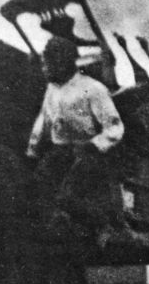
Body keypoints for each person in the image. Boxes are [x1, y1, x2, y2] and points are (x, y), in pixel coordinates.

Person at [26, 35, 126, 247]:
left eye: (49, 63)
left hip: (90, 152)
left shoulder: (93, 88)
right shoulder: (52, 89)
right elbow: (43, 120)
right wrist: (32, 151)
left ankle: (104, 225)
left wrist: (94, 145)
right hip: (61, 151)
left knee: (67, 196)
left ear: (66, 62)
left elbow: (115, 127)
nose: (45, 68)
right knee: (35, 187)